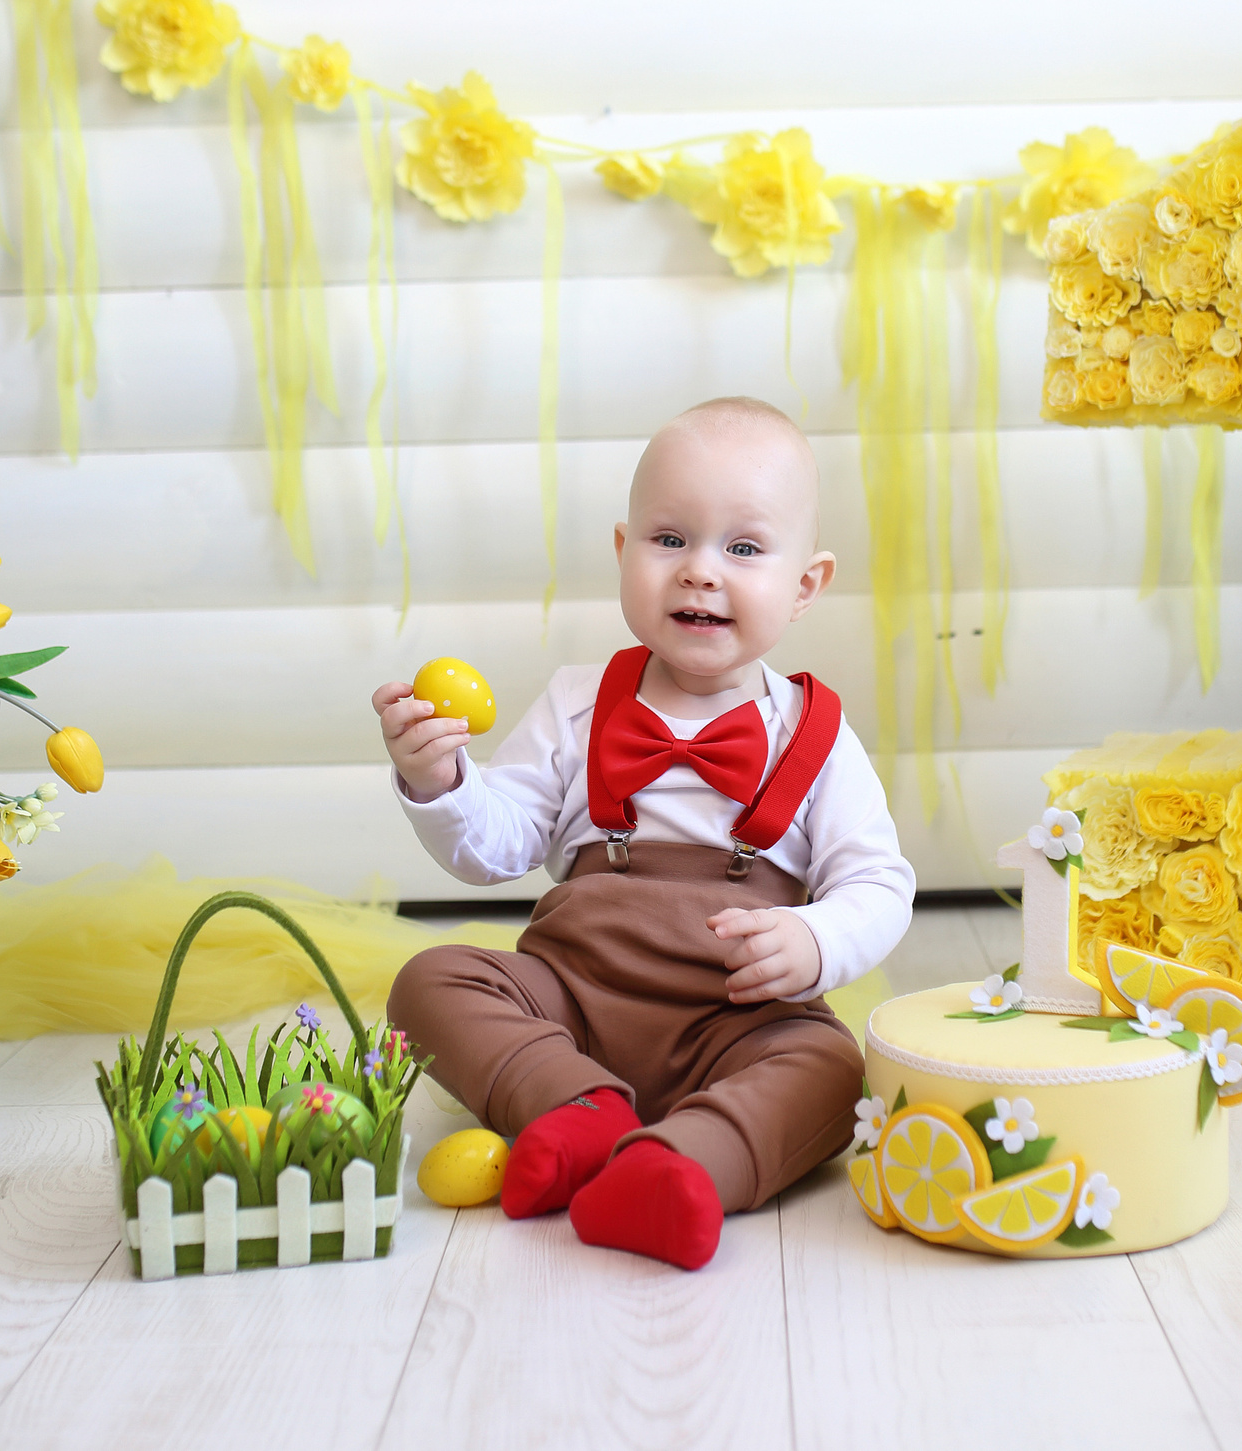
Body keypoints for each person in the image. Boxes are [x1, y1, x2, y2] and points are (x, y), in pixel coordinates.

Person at [376, 396, 915, 1269]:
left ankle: (680, 1165)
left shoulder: (816, 737)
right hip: (574, 1001)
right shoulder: (577, 700)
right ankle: (574, 1111)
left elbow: (880, 884)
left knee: (830, 1067)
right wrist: (440, 778)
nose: (701, 571)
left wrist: (812, 939)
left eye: (743, 548)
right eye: (671, 540)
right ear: (625, 552)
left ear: (805, 584)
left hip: (734, 1020)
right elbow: (498, 845)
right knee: (430, 980)